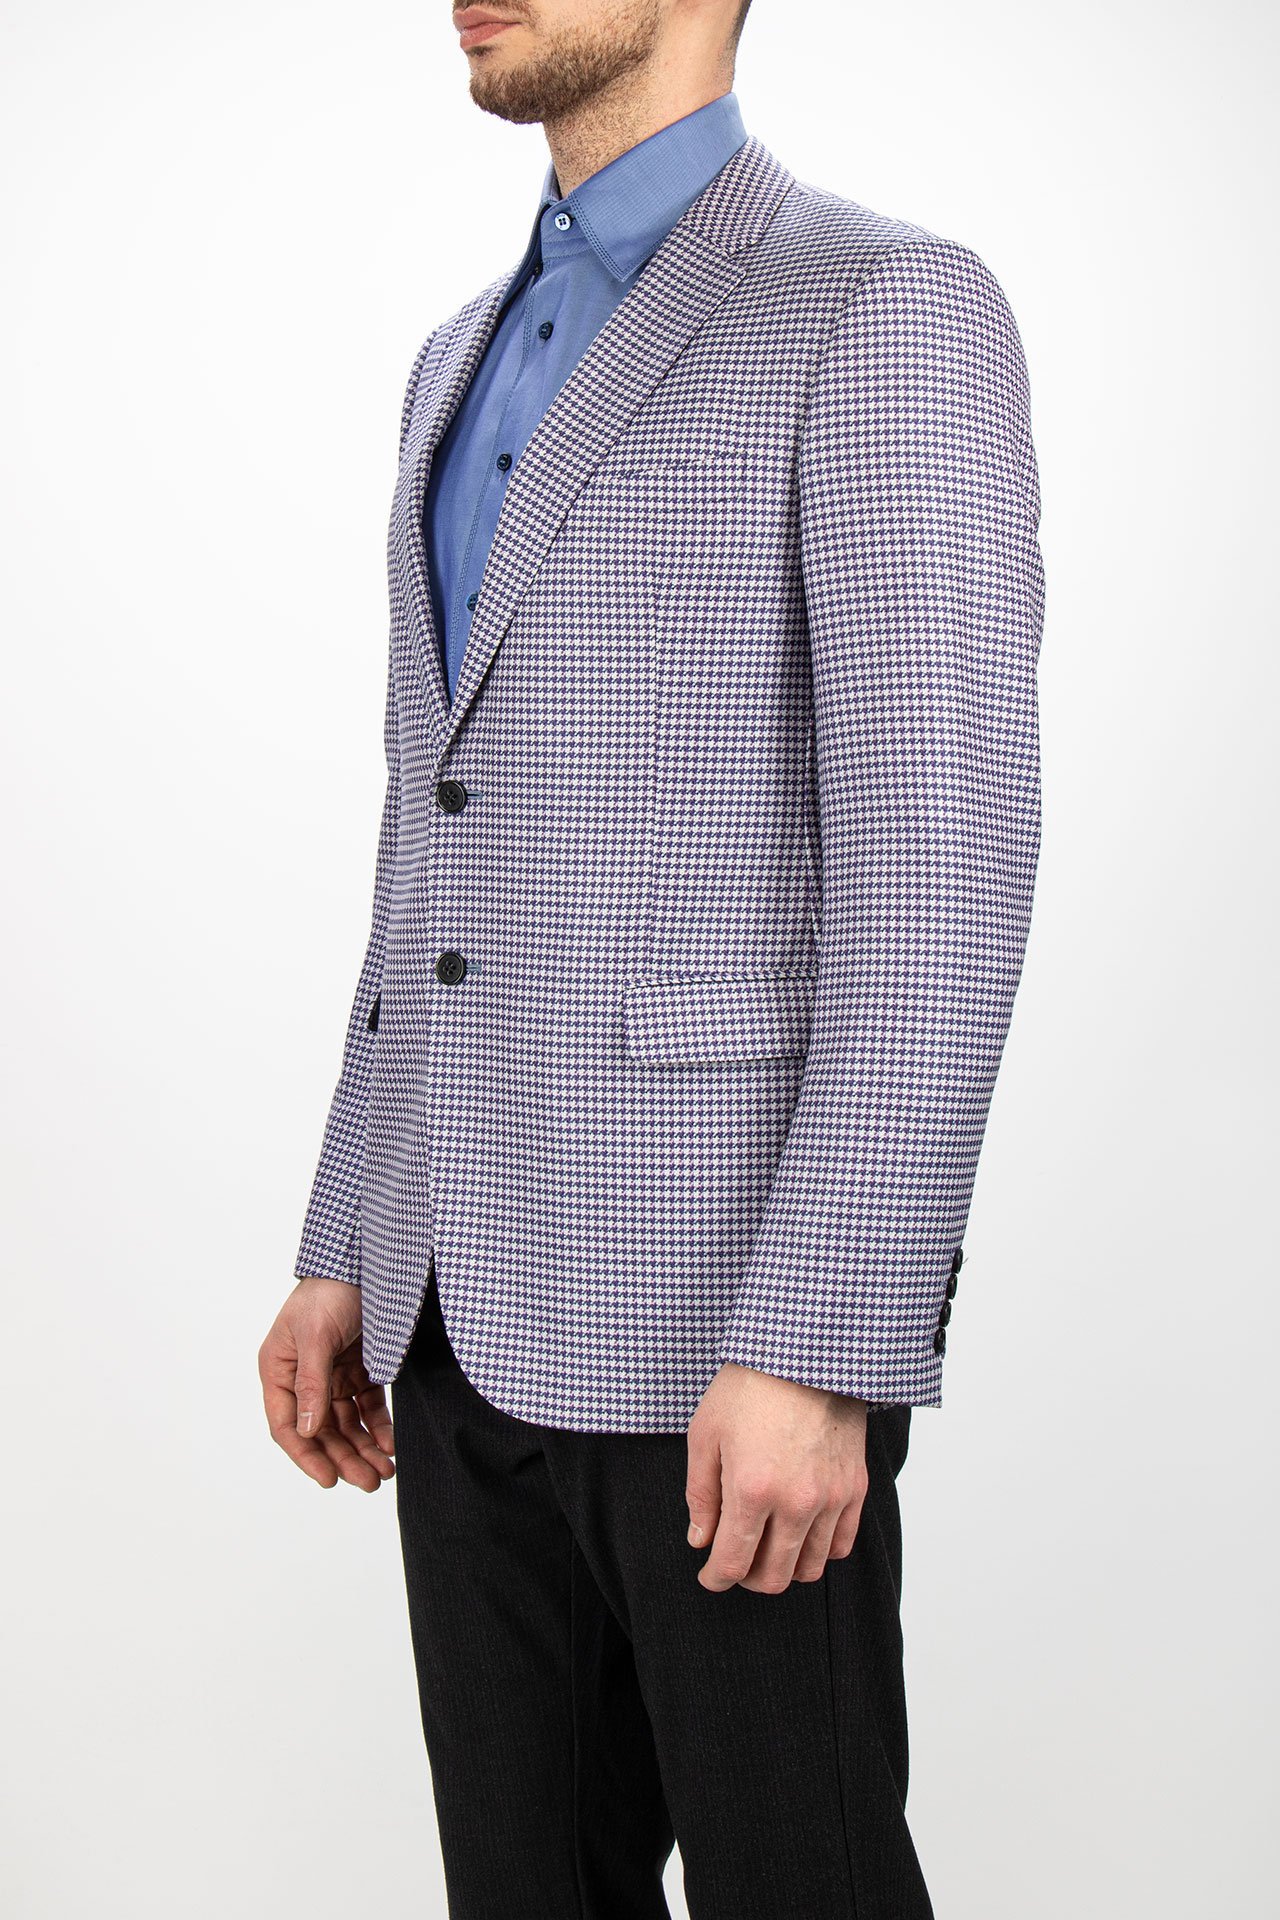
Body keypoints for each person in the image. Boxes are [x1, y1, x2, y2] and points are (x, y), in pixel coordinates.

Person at [258, 2, 1044, 1914]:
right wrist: (348, 1235)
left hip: (727, 1343)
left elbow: (938, 864)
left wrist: (821, 1344)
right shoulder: (458, 359)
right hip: (455, 1328)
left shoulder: (880, 308)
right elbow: (431, 844)